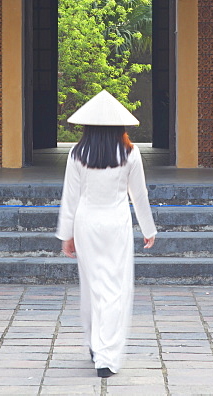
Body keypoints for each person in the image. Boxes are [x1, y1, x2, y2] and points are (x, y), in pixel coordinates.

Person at [56, 90, 157, 379]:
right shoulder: (130, 153)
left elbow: (70, 197)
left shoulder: (77, 153)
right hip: (116, 224)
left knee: (92, 286)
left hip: (86, 223)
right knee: (114, 289)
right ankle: (106, 356)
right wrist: (148, 229)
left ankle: (93, 343)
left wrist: (67, 234)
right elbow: (139, 194)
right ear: (119, 125)